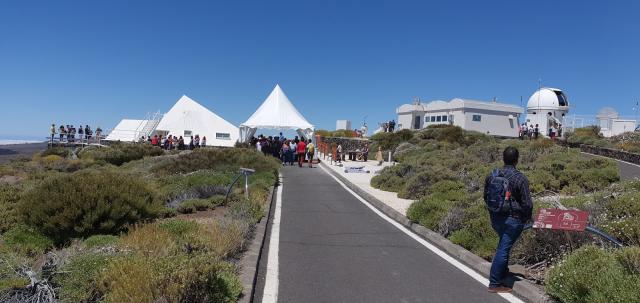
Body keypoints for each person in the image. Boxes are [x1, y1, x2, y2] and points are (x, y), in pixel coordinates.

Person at [484, 147, 533, 293]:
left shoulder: (492, 175)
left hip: (495, 217)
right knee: (503, 249)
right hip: (513, 220)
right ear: (517, 159)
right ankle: (494, 283)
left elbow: (485, 196)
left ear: (503, 159)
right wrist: (527, 218)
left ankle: (502, 272)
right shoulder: (520, 178)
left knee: (503, 244)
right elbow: (527, 204)